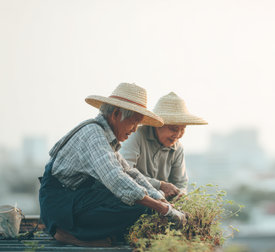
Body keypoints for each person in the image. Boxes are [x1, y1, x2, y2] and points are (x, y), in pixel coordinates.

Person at [39, 83, 186, 247]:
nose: (135, 129)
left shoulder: (106, 139)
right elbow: (116, 179)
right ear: (116, 114)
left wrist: (161, 200)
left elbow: (131, 173)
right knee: (140, 207)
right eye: (134, 122)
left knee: (141, 204)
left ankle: (81, 232)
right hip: (61, 205)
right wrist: (162, 209)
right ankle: (68, 234)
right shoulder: (93, 134)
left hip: (78, 199)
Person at [120, 92, 207, 199]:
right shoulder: (136, 136)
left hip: (162, 202)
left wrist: (179, 195)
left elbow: (181, 183)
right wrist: (160, 185)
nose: (178, 135)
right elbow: (125, 174)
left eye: (183, 129)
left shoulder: (177, 149)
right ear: (158, 124)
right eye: (174, 129)